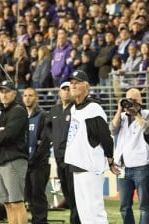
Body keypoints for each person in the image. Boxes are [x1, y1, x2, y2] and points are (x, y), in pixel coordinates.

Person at [63, 70, 116, 224]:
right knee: (84, 212)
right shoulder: (74, 108)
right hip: (77, 165)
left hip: (90, 166)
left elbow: (105, 137)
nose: (73, 85)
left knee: (95, 211)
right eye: (71, 82)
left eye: (77, 82)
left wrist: (110, 159)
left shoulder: (93, 108)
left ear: (86, 86)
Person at [0, 80, 28, 224]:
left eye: (7, 91)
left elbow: (9, 134)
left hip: (14, 159)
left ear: (14, 93)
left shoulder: (18, 110)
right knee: (7, 203)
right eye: (1, 92)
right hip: (3, 159)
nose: (4, 94)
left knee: (16, 201)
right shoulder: (4, 112)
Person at [111, 87, 149, 224]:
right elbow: (113, 129)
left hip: (141, 166)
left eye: (133, 100)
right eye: (127, 100)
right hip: (123, 167)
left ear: (140, 101)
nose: (130, 103)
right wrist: (119, 109)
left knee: (144, 206)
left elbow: (148, 130)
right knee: (124, 207)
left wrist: (136, 114)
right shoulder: (122, 117)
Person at [48, 81, 79, 224]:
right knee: (66, 192)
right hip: (59, 158)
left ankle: (76, 220)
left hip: (73, 159)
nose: (66, 91)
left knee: (75, 193)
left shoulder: (77, 109)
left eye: (68, 89)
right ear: (59, 92)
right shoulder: (54, 110)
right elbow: (47, 128)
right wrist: (52, 140)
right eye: (63, 89)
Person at [22, 87, 50, 224]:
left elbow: (44, 141)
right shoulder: (21, 116)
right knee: (28, 196)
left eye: (31, 95)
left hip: (39, 164)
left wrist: (34, 158)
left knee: (37, 195)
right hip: (24, 163)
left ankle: (41, 221)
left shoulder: (43, 115)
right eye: (25, 95)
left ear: (36, 98)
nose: (28, 98)